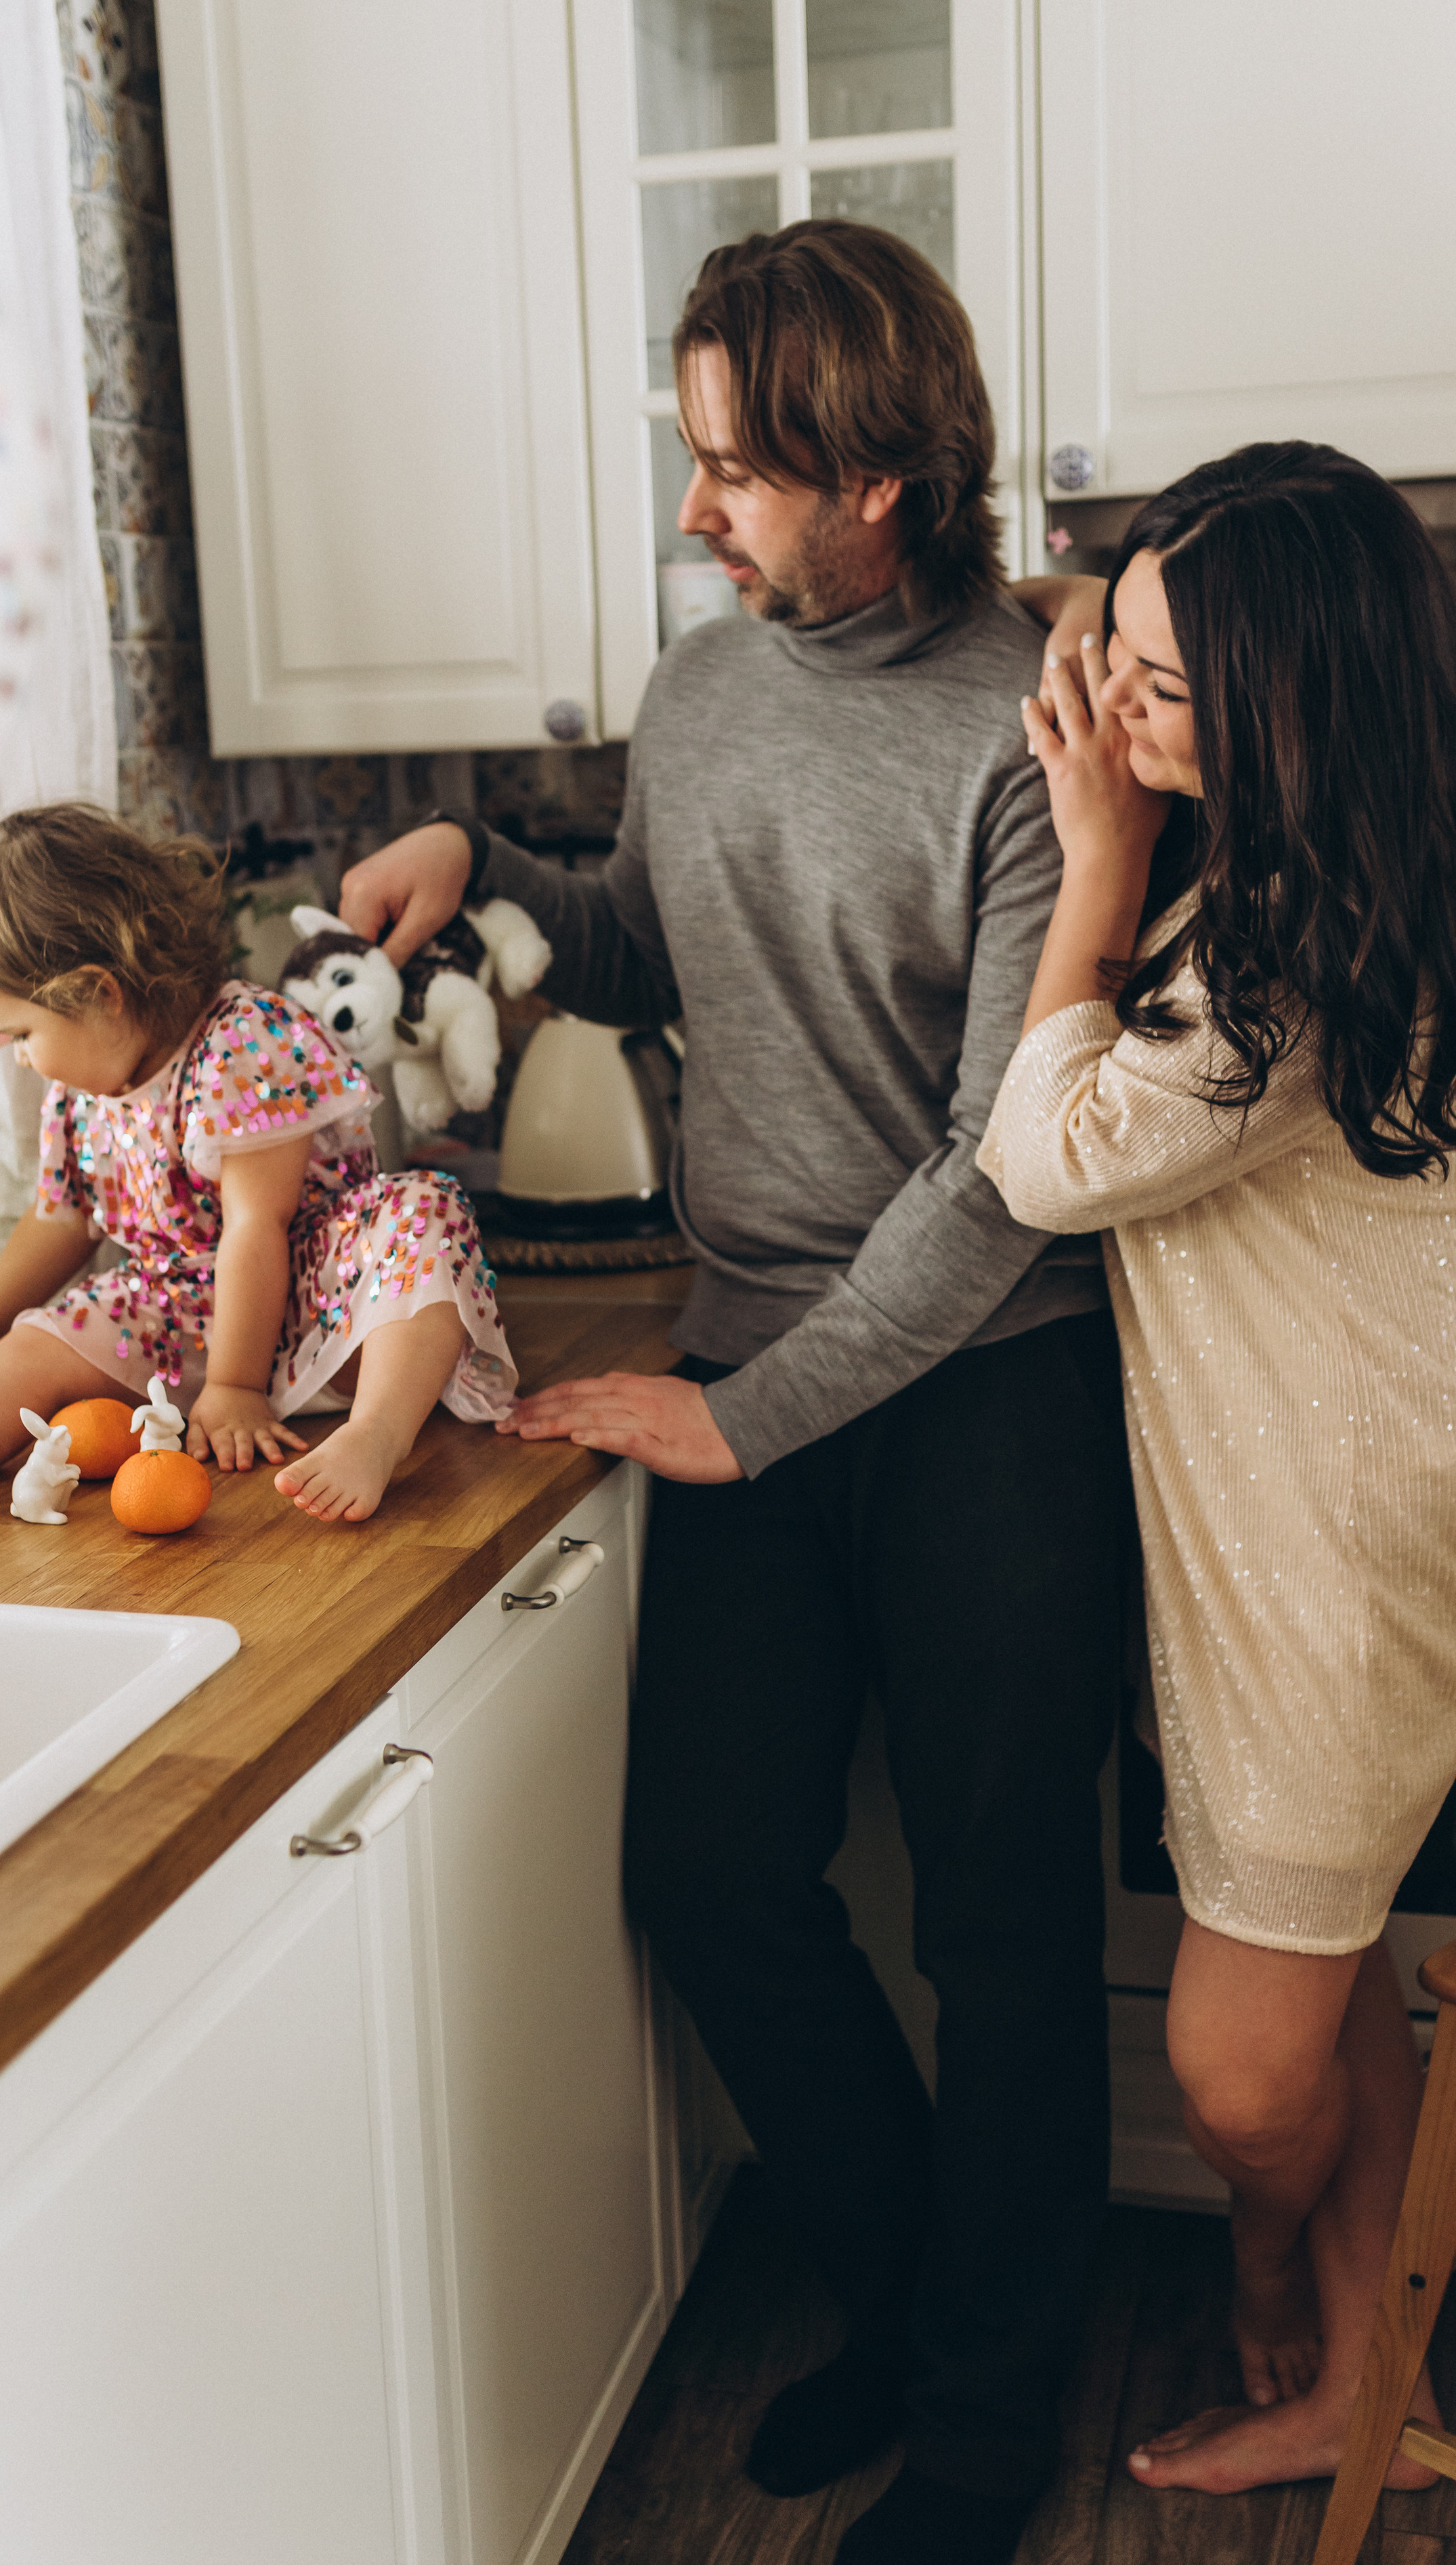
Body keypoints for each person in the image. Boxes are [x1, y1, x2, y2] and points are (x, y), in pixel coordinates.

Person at [339, 219, 1126, 2565]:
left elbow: (1010, 1169)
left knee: (1000, 1930)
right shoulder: (705, 687)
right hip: (753, 1354)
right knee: (711, 1868)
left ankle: (991, 2430)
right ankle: (902, 2307)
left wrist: (743, 1417)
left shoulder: (1034, 730)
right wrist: (492, 865)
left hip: (989, 1392)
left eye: (736, 470)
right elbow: (656, 937)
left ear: (879, 471)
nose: (698, 510)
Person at [979, 442, 1456, 2497]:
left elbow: (1044, 1160)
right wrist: (1081, 648)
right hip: (1307, 1514)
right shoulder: (1327, 879)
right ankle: (1367, 2382)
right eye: (1119, 662)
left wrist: (1090, 864)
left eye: (1162, 682)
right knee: (1330, 1977)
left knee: (1239, 2069)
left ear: (1289, 697)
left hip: (1335, 1553)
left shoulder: (1284, 949)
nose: (1119, 713)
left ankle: (1277, 2268)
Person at [0, 805, 515, 1529]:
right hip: (179, 1308)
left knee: (423, 1210)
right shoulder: (79, 1093)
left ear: (98, 993)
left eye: (20, 1033)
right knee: (21, 1360)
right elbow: (59, 1220)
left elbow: (256, 1227)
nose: (21, 1057)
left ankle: (377, 1434)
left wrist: (235, 1387)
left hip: (323, 1299)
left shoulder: (244, 1042)